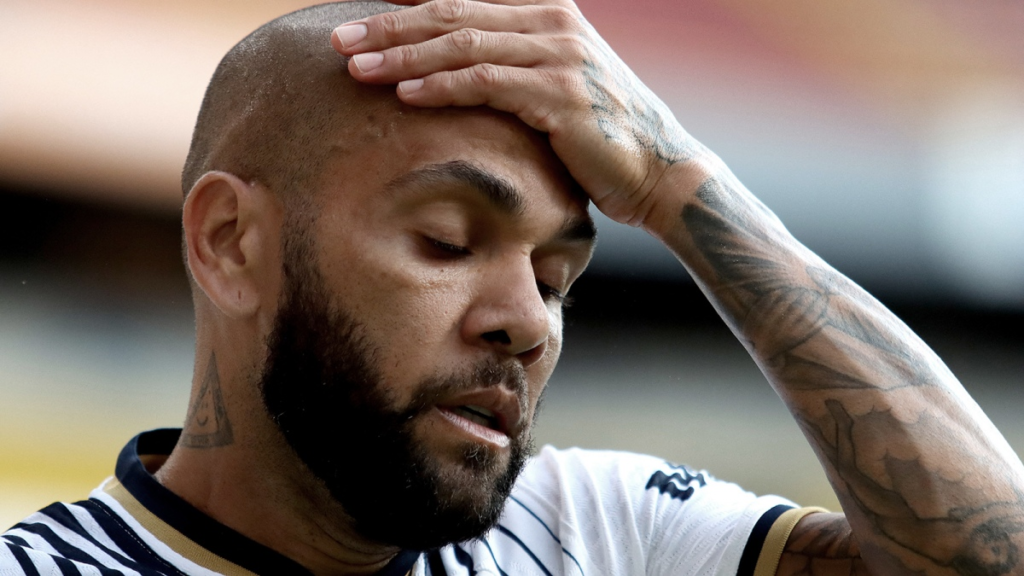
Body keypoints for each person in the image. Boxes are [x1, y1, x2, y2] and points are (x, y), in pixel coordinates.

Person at [4, 0, 1023, 574]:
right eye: (448, 242)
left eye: (556, 277)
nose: (528, 322)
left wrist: (679, 185)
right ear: (231, 244)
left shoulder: (602, 531)